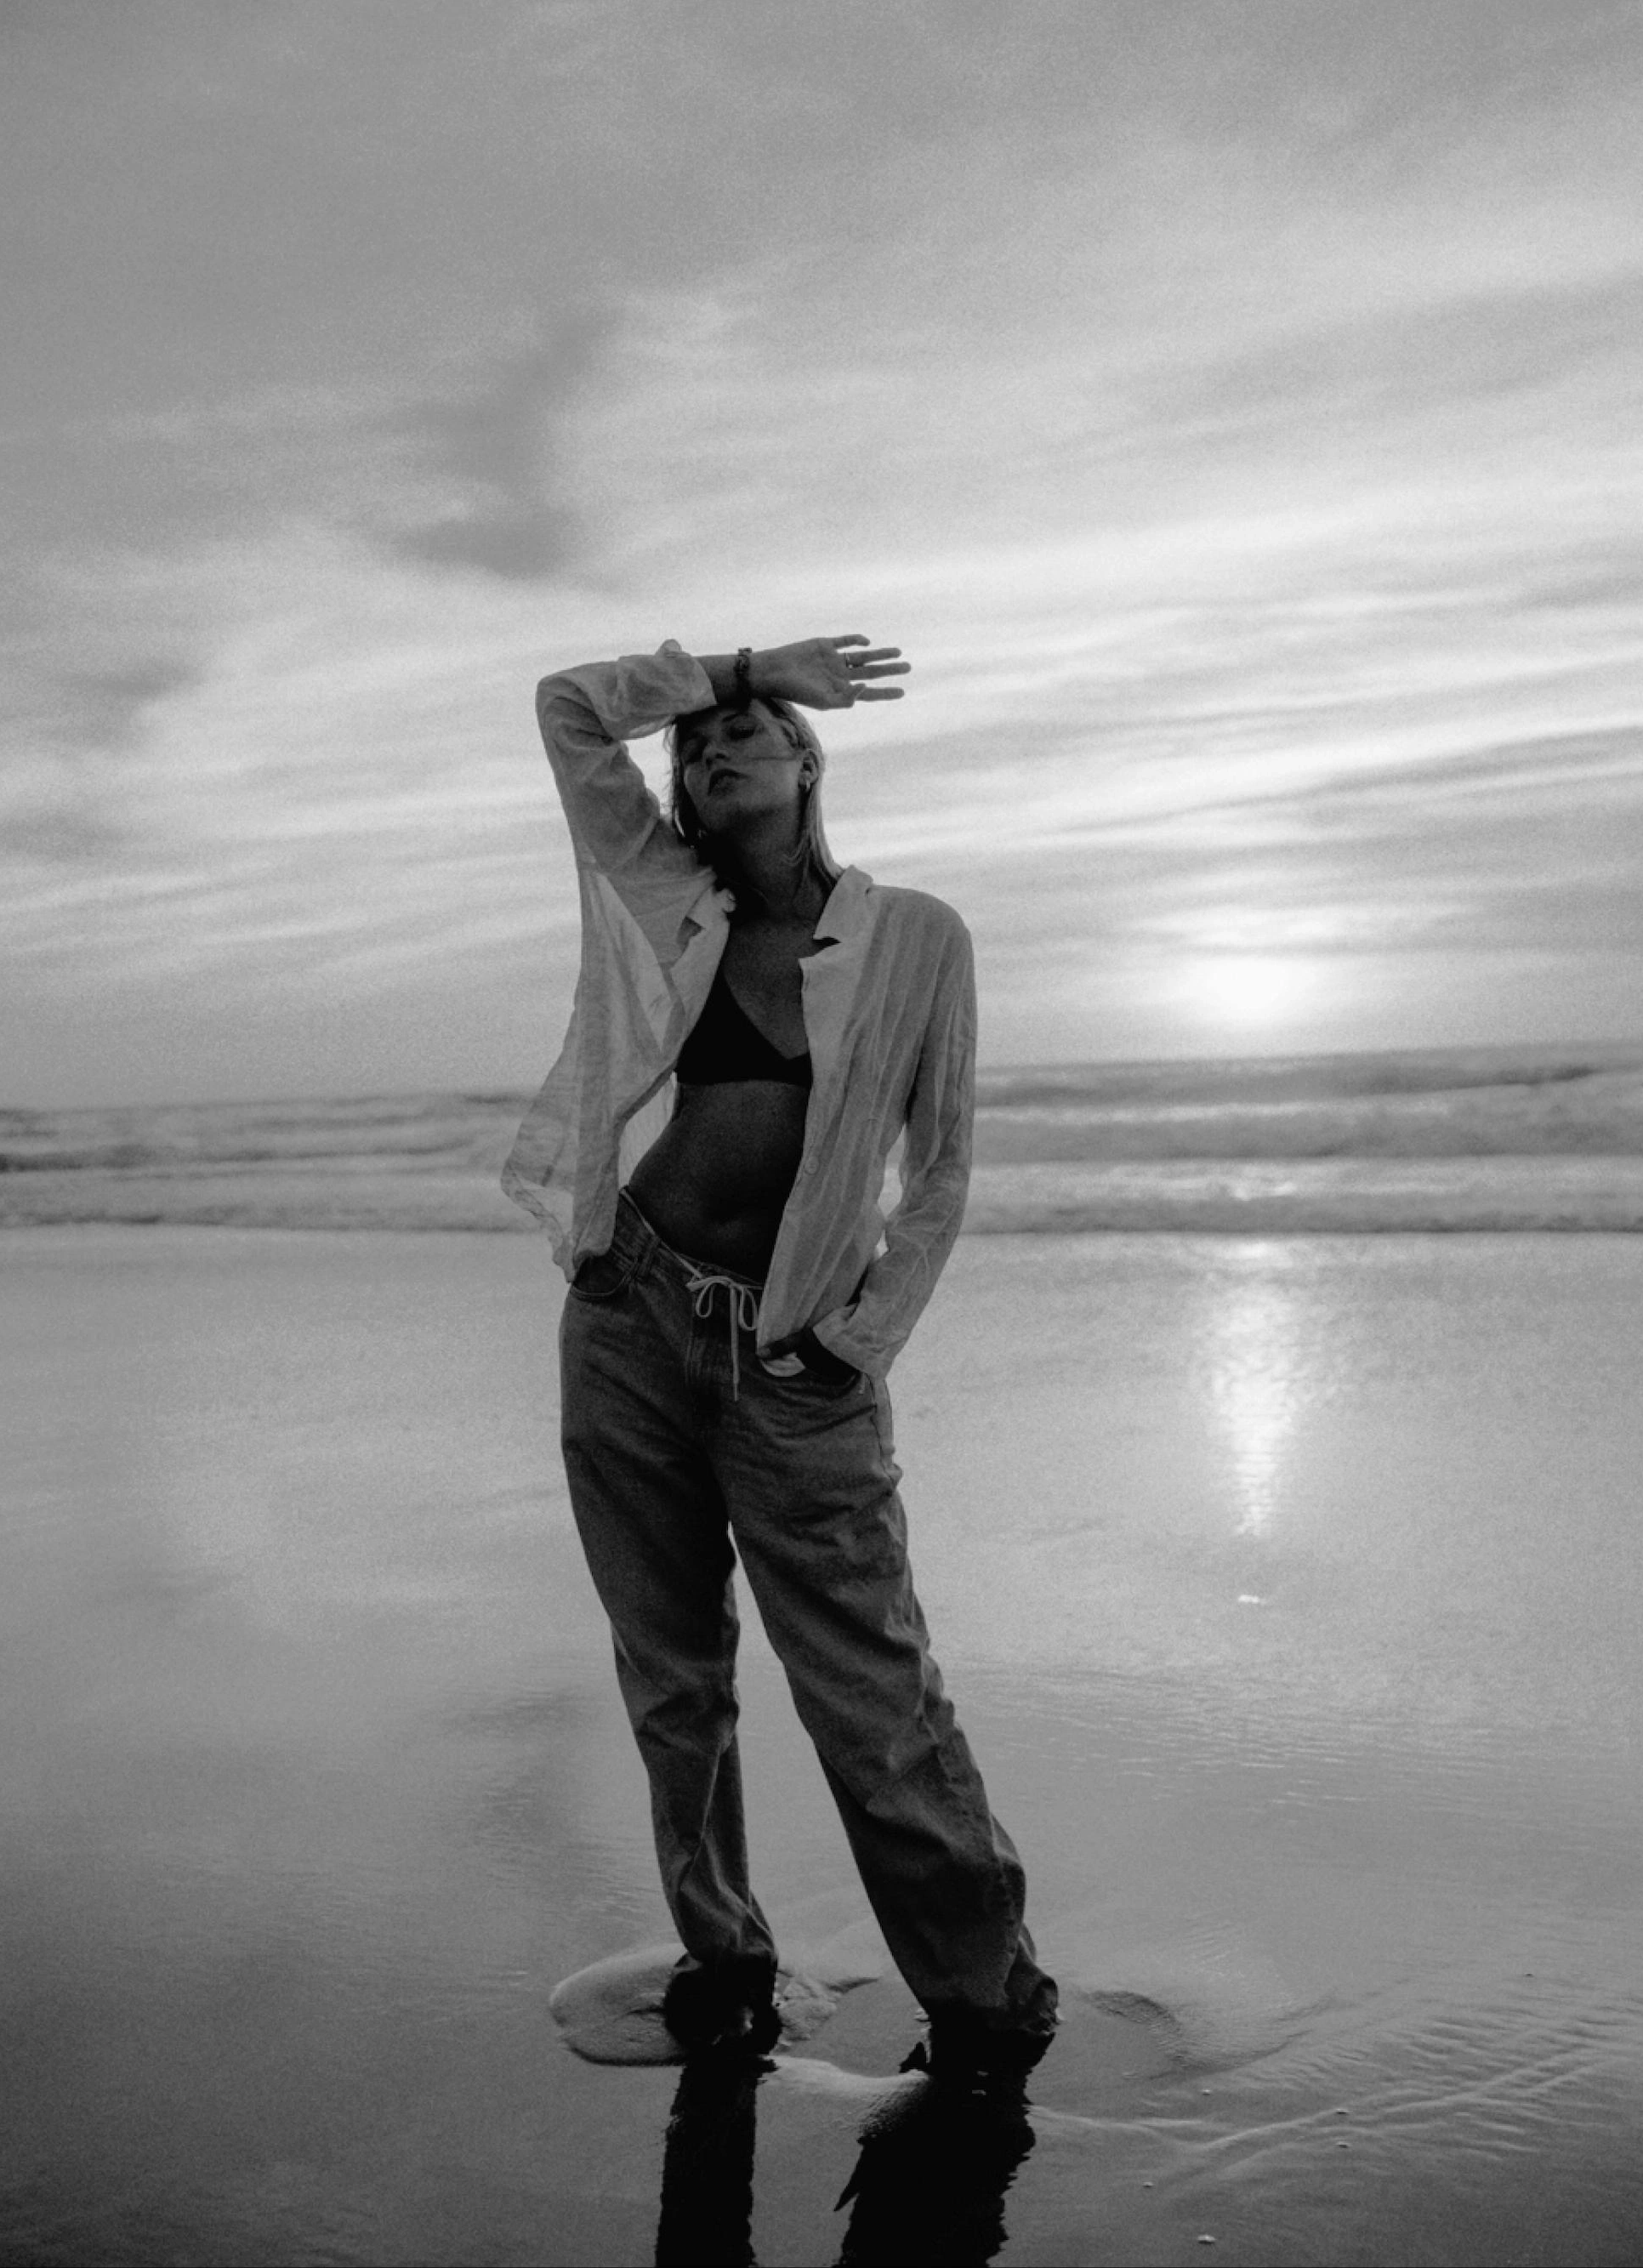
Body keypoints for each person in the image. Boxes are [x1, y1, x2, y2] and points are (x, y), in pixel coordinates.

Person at [503, 632, 1056, 2082]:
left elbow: (939, 1171)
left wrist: (858, 1341)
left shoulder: (919, 935)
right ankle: (723, 1947)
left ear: (810, 758)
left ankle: (989, 1992)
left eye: (746, 729)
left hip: (795, 1353)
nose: (712, 747)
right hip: (628, 1313)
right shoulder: (657, 892)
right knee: (673, 1677)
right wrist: (742, 663)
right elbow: (569, 710)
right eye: (693, 740)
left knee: (870, 1690)